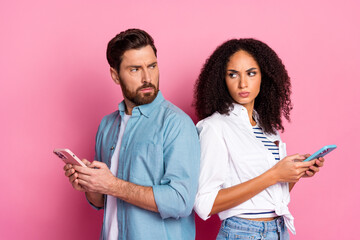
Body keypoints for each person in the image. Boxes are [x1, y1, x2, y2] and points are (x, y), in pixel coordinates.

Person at [63, 28, 200, 240]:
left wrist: (113, 185)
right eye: (135, 69)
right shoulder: (107, 125)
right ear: (115, 75)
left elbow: (181, 201)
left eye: (152, 66)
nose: (147, 78)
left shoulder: (177, 124)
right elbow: (102, 200)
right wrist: (90, 184)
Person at [193, 38, 325, 240]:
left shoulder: (267, 128)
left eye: (251, 73)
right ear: (222, 79)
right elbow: (204, 204)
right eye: (233, 74)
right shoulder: (214, 127)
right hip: (243, 233)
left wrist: (295, 173)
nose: (243, 83)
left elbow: (269, 196)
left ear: (264, 77)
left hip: (278, 230)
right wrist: (274, 174)